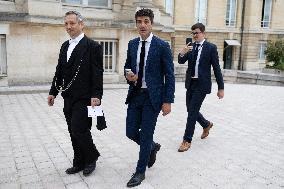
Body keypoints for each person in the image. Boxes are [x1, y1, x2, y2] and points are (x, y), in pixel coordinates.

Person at [47, 11, 103, 176]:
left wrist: (97, 96)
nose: (69, 27)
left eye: (72, 23)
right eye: (66, 24)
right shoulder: (65, 45)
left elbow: (97, 73)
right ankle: (79, 161)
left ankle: (91, 158)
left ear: (81, 24)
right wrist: (53, 92)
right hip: (68, 96)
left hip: (85, 97)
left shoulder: (93, 46)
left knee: (79, 129)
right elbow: (60, 71)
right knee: (73, 130)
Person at [124, 8, 175, 187]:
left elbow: (170, 75)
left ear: (151, 24)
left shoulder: (162, 46)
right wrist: (128, 75)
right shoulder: (132, 44)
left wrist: (168, 101)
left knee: (145, 135)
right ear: (136, 24)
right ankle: (152, 147)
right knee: (130, 132)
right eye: (139, 21)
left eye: (146, 21)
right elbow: (127, 67)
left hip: (153, 98)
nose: (142, 25)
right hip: (135, 95)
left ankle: (140, 172)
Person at [177, 23, 224, 152]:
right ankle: (206, 124)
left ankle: (187, 140)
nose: (195, 35)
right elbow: (181, 61)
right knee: (190, 110)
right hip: (191, 83)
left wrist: (221, 88)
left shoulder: (211, 48)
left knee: (192, 112)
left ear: (203, 33)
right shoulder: (191, 47)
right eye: (193, 33)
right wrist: (182, 52)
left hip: (202, 85)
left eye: (197, 33)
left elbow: (217, 68)